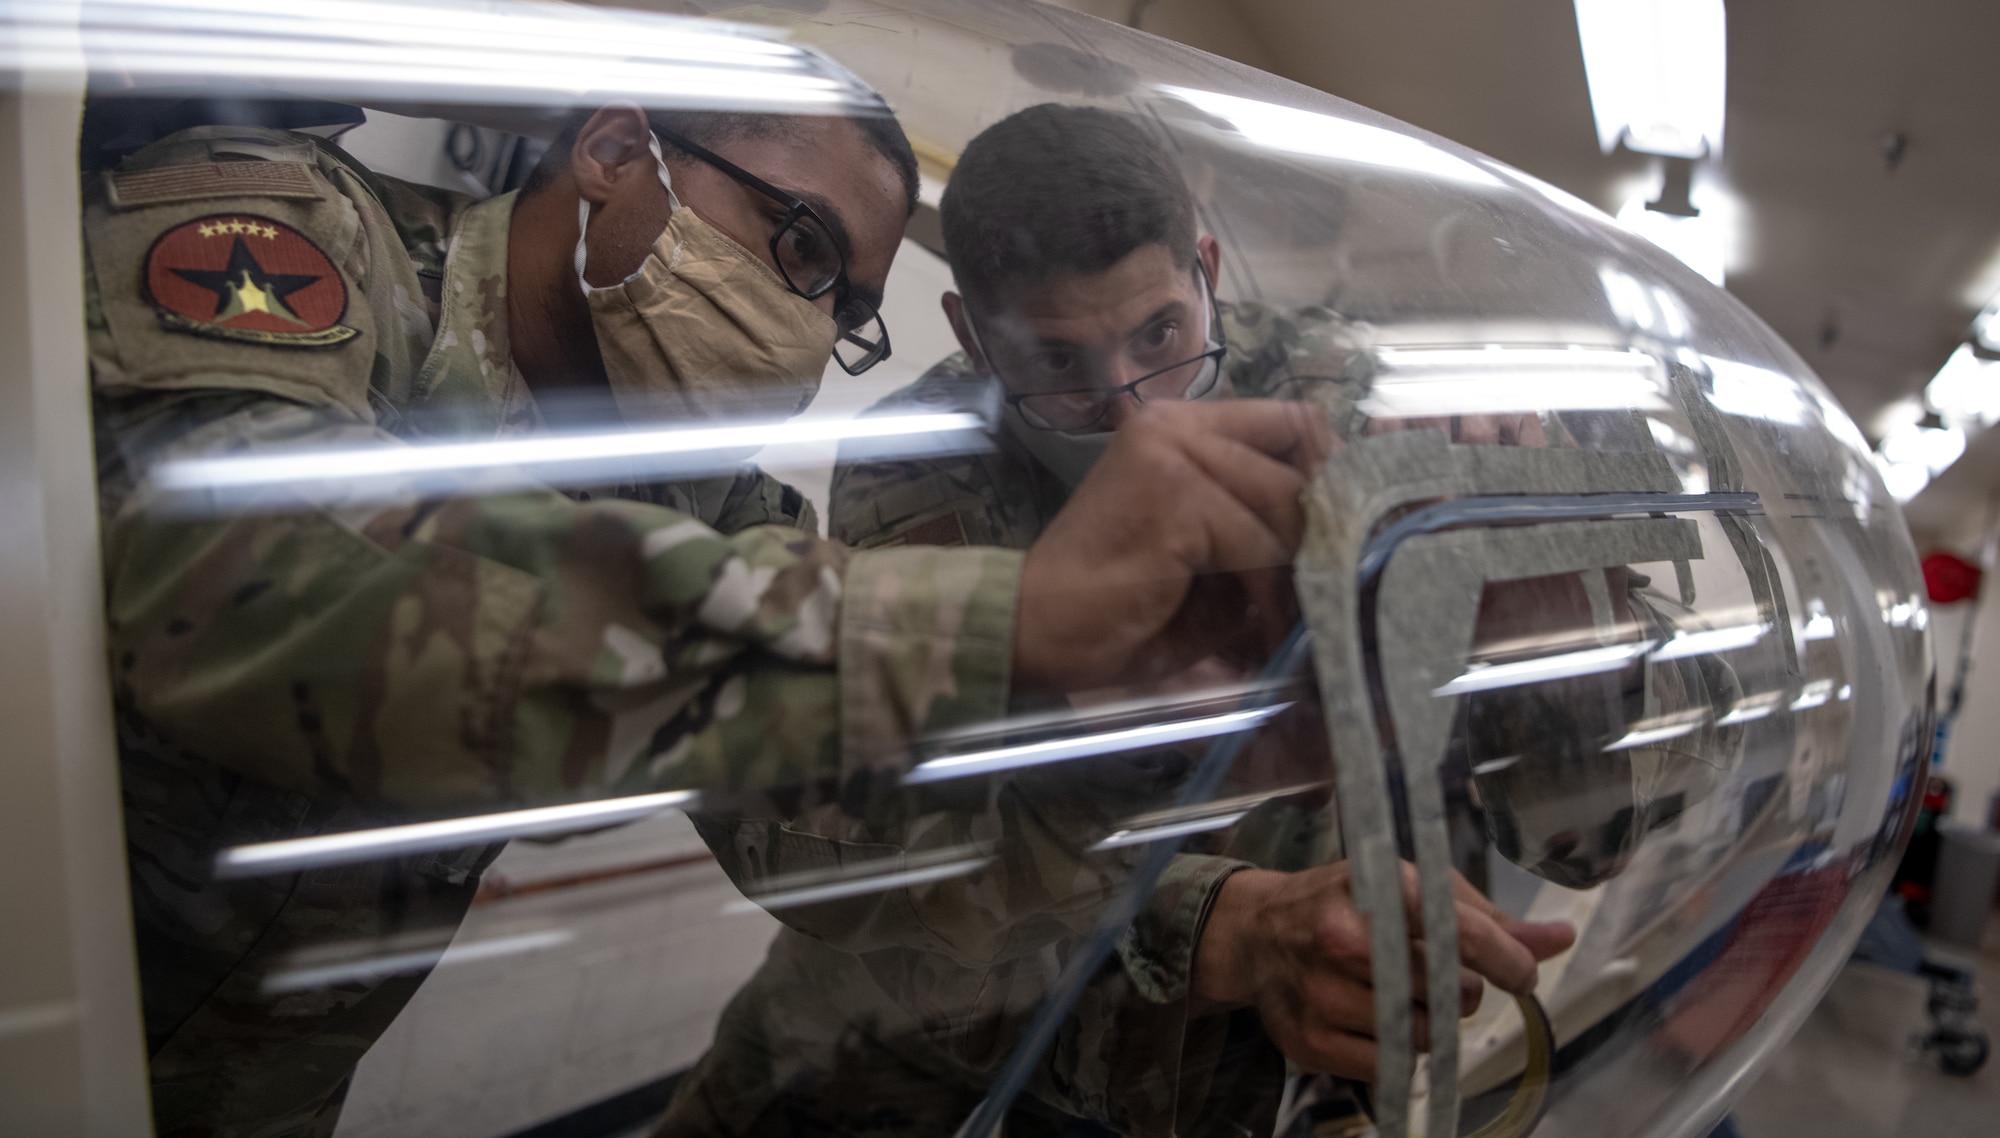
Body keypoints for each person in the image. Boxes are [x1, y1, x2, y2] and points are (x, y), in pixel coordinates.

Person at [88, 88, 1327, 1137]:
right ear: (616, 152)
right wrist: (997, 623)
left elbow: (838, 841)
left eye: (842, 306)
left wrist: (1180, 828)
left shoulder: (703, 499)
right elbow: (238, 585)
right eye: (795, 246)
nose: (805, 320)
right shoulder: (307, 233)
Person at [659, 104, 1573, 1137]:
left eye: (1158, 334)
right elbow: (943, 843)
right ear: (971, 334)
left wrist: (1545, 578)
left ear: (1207, 271)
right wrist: (1219, 925)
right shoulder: (918, 460)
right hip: (915, 1022)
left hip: (1255, 1061)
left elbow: (1593, 824)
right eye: (1055, 362)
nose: (1134, 416)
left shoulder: (1359, 402)